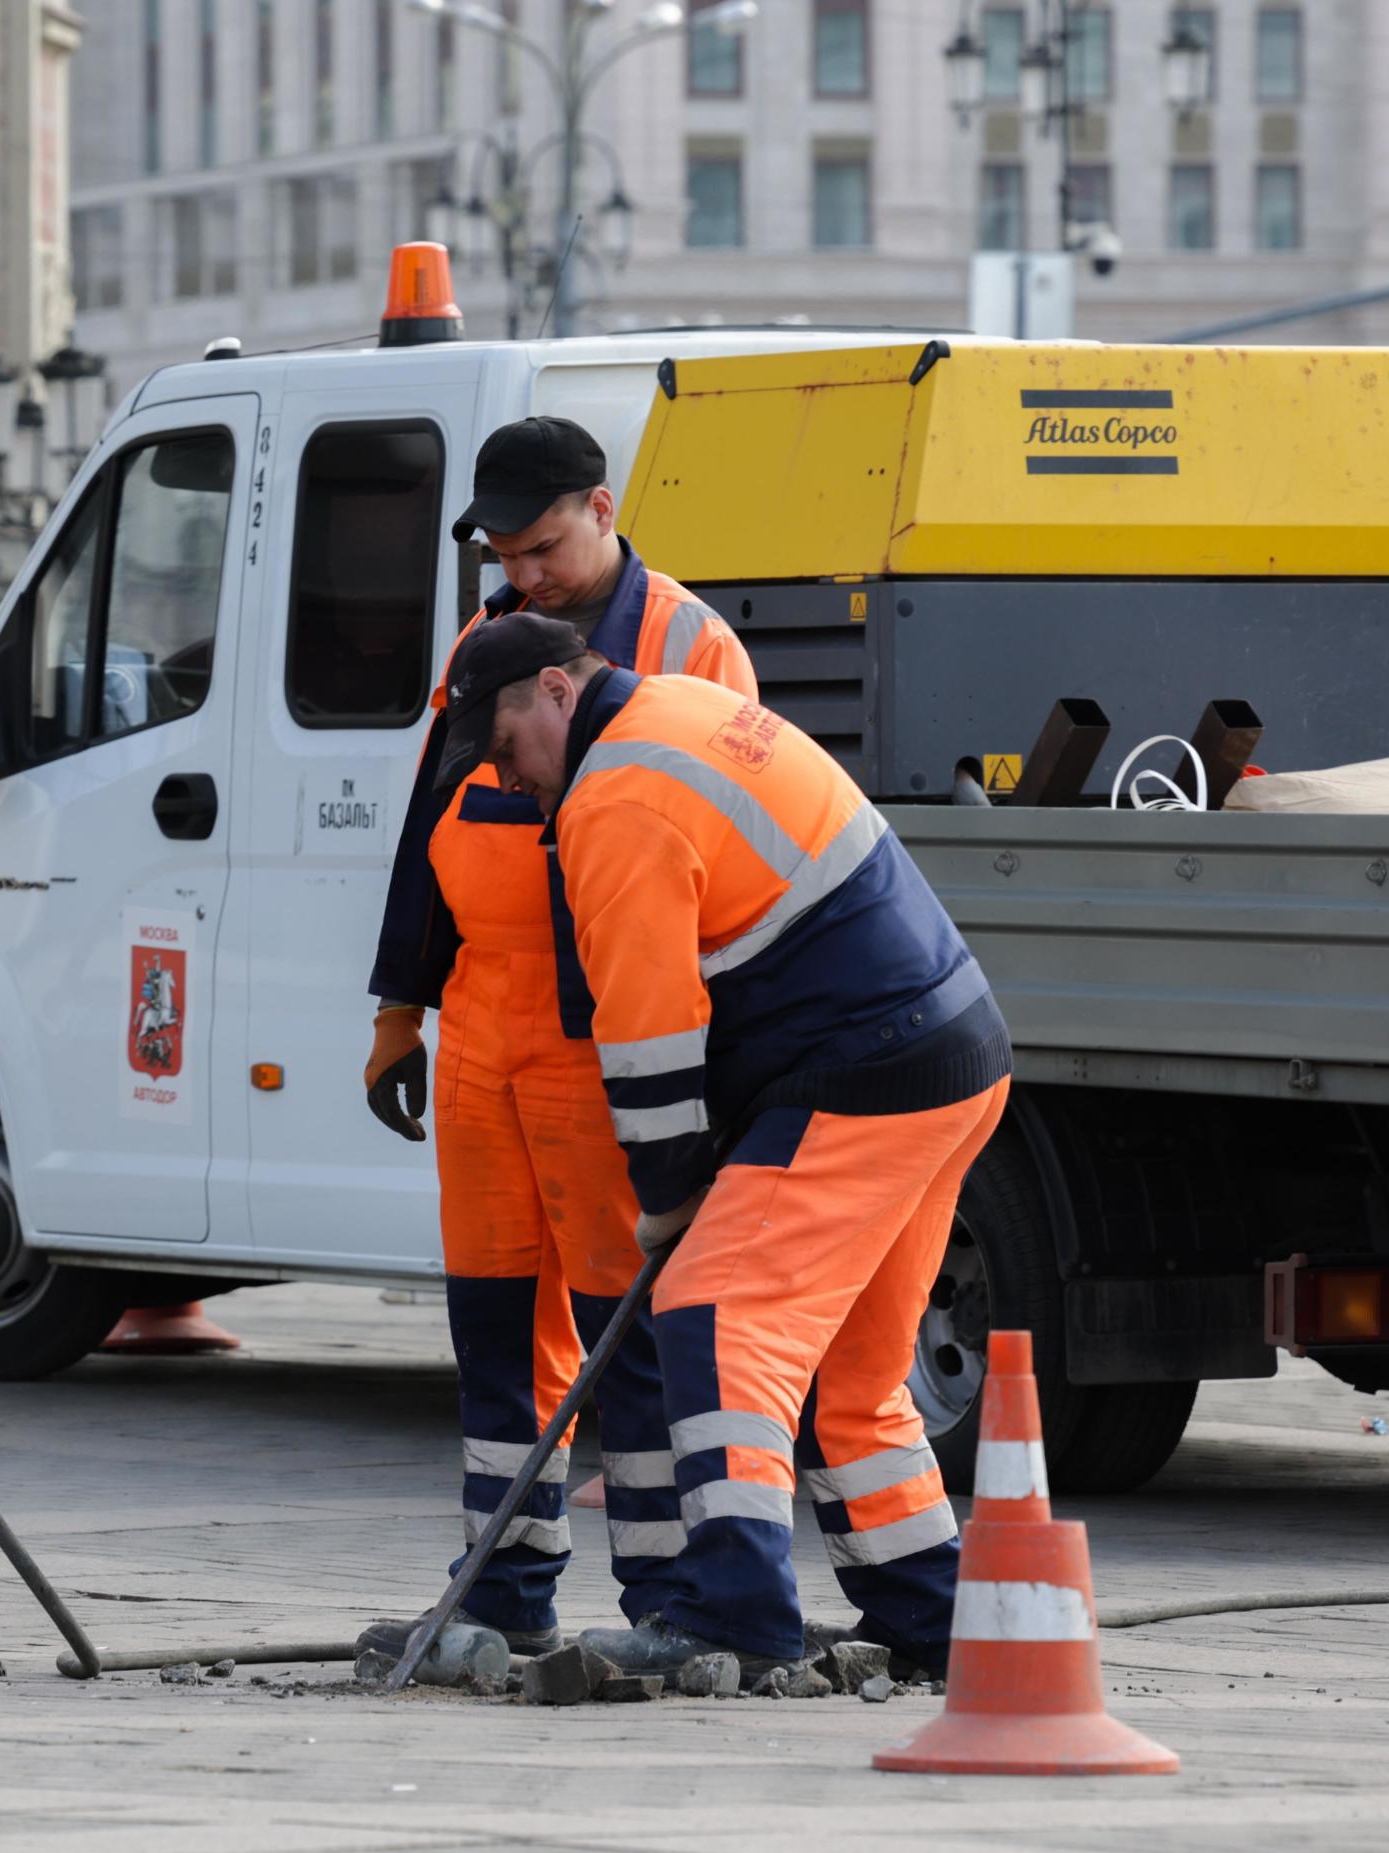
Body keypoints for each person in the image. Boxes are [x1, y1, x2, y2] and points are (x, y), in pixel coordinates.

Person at [443, 613, 1002, 1683]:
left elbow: (651, 1039)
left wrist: (665, 1198)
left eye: (505, 747)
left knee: (712, 1309)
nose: (505, 779)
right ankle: (936, 1625)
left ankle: (737, 1614)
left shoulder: (615, 798)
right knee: (855, 1373)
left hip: (864, 1064)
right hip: (951, 1050)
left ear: (559, 693)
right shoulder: (673, 714)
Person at [358, 416, 757, 1667]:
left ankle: (664, 1601)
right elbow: (431, 824)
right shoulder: (485, 642)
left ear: (600, 506)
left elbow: (724, 863)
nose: (523, 572)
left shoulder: (692, 647)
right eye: (504, 550)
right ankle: (499, 1590)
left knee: (625, 1332)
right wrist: (397, 1013)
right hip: (483, 1031)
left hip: (603, 1045)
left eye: (540, 547)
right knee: (491, 1329)